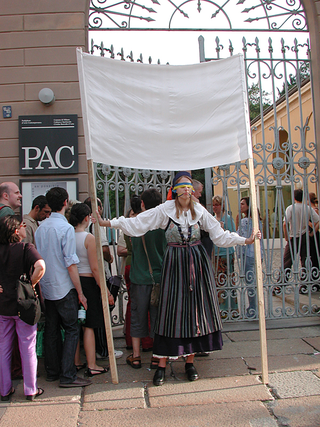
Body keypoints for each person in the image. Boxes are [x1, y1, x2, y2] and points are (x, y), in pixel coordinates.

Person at [95, 172, 259, 386]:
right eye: (182, 188)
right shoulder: (165, 210)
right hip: (173, 267)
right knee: (169, 313)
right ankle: (161, 364)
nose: (186, 192)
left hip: (196, 266)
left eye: (189, 188)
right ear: (174, 191)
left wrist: (245, 240)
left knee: (194, 313)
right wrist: (106, 222)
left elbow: (219, 235)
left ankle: (190, 362)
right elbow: (138, 223)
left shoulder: (199, 211)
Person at [35, 187, 92, 388]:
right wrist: (80, 292)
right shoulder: (65, 228)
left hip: (46, 285)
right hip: (64, 286)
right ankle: (68, 374)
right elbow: (70, 263)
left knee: (51, 329)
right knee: (71, 329)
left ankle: (52, 371)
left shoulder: (41, 228)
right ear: (66, 202)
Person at [0, 215, 45, 401]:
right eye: (22, 225)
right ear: (16, 230)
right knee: (27, 347)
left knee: (3, 348)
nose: (25, 228)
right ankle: (30, 389)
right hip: (23, 303)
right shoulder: (26, 248)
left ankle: (4, 389)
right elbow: (40, 266)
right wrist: (31, 284)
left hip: (3, 305)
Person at [70, 203, 114, 377]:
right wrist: (106, 291)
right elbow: (96, 269)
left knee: (74, 324)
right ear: (86, 218)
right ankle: (92, 364)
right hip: (88, 281)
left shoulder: (68, 235)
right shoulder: (88, 238)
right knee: (89, 325)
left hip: (73, 281)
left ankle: (76, 361)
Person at [125, 189, 167, 370]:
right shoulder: (163, 225)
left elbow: (131, 247)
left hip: (139, 277)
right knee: (158, 319)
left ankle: (135, 356)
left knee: (137, 315)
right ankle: (157, 356)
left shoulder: (137, 224)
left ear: (142, 204)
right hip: (159, 278)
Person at [283, 189, 319, 283]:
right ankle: (305, 282)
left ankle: (282, 282)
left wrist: (286, 236)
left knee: (287, 260)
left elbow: (284, 224)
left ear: (294, 197)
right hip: (304, 235)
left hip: (293, 236)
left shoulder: (290, 208)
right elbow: (317, 219)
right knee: (305, 260)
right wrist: (312, 233)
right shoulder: (307, 208)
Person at [237, 197, 264, 318]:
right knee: (255, 280)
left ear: (248, 206)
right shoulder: (257, 221)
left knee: (250, 282)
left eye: (243, 204)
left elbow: (239, 236)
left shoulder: (244, 221)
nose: (240, 205)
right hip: (258, 253)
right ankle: (257, 307)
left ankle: (253, 309)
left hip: (248, 254)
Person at [212, 195, 238, 317]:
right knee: (219, 281)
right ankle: (221, 308)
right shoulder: (212, 218)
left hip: (227, 253)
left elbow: (232, 234)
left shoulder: (227, 218)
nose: (214, 207)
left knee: (229, 281)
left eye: (216, 205)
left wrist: (222, 231)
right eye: (213, 205)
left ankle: (233, 308)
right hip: (216, 254)